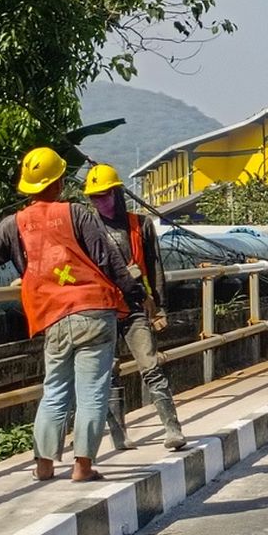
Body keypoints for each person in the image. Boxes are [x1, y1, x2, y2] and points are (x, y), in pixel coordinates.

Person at [0, 148, 143, 482]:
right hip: (94, 311)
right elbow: (107, 258)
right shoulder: (77, 213)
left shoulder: (12, 225)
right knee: (92, 391)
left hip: (52, 315)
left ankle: (44, 465)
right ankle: (83, 467)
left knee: (55, 390)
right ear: (59, 181)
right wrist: (134, 293)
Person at [84, 164, 186, 450]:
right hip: (102, 309)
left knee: (151, 366)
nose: (99, 201)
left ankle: (172, 429)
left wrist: (161, 307)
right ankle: (120, 437)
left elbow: (155, 267)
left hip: (136, 306)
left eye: (104, 195)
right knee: (110, 372)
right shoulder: (87, 228)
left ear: (117, 193)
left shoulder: (139, 224)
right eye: (94, 197)